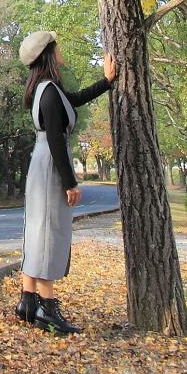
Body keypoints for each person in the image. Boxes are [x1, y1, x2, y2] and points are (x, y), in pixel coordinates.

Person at [14, 29, 116, 335]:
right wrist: (70, 183)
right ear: (48, 53)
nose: (61, 51)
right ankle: (48, 309)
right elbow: (58, 141)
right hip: (49, 166)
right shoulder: (47, 92)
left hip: (41, 163)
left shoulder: (46, 89)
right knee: (48, 233)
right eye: (56, 47)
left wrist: (107, 81)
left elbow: (76, 99)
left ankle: (27, 301)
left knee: (36, 230)